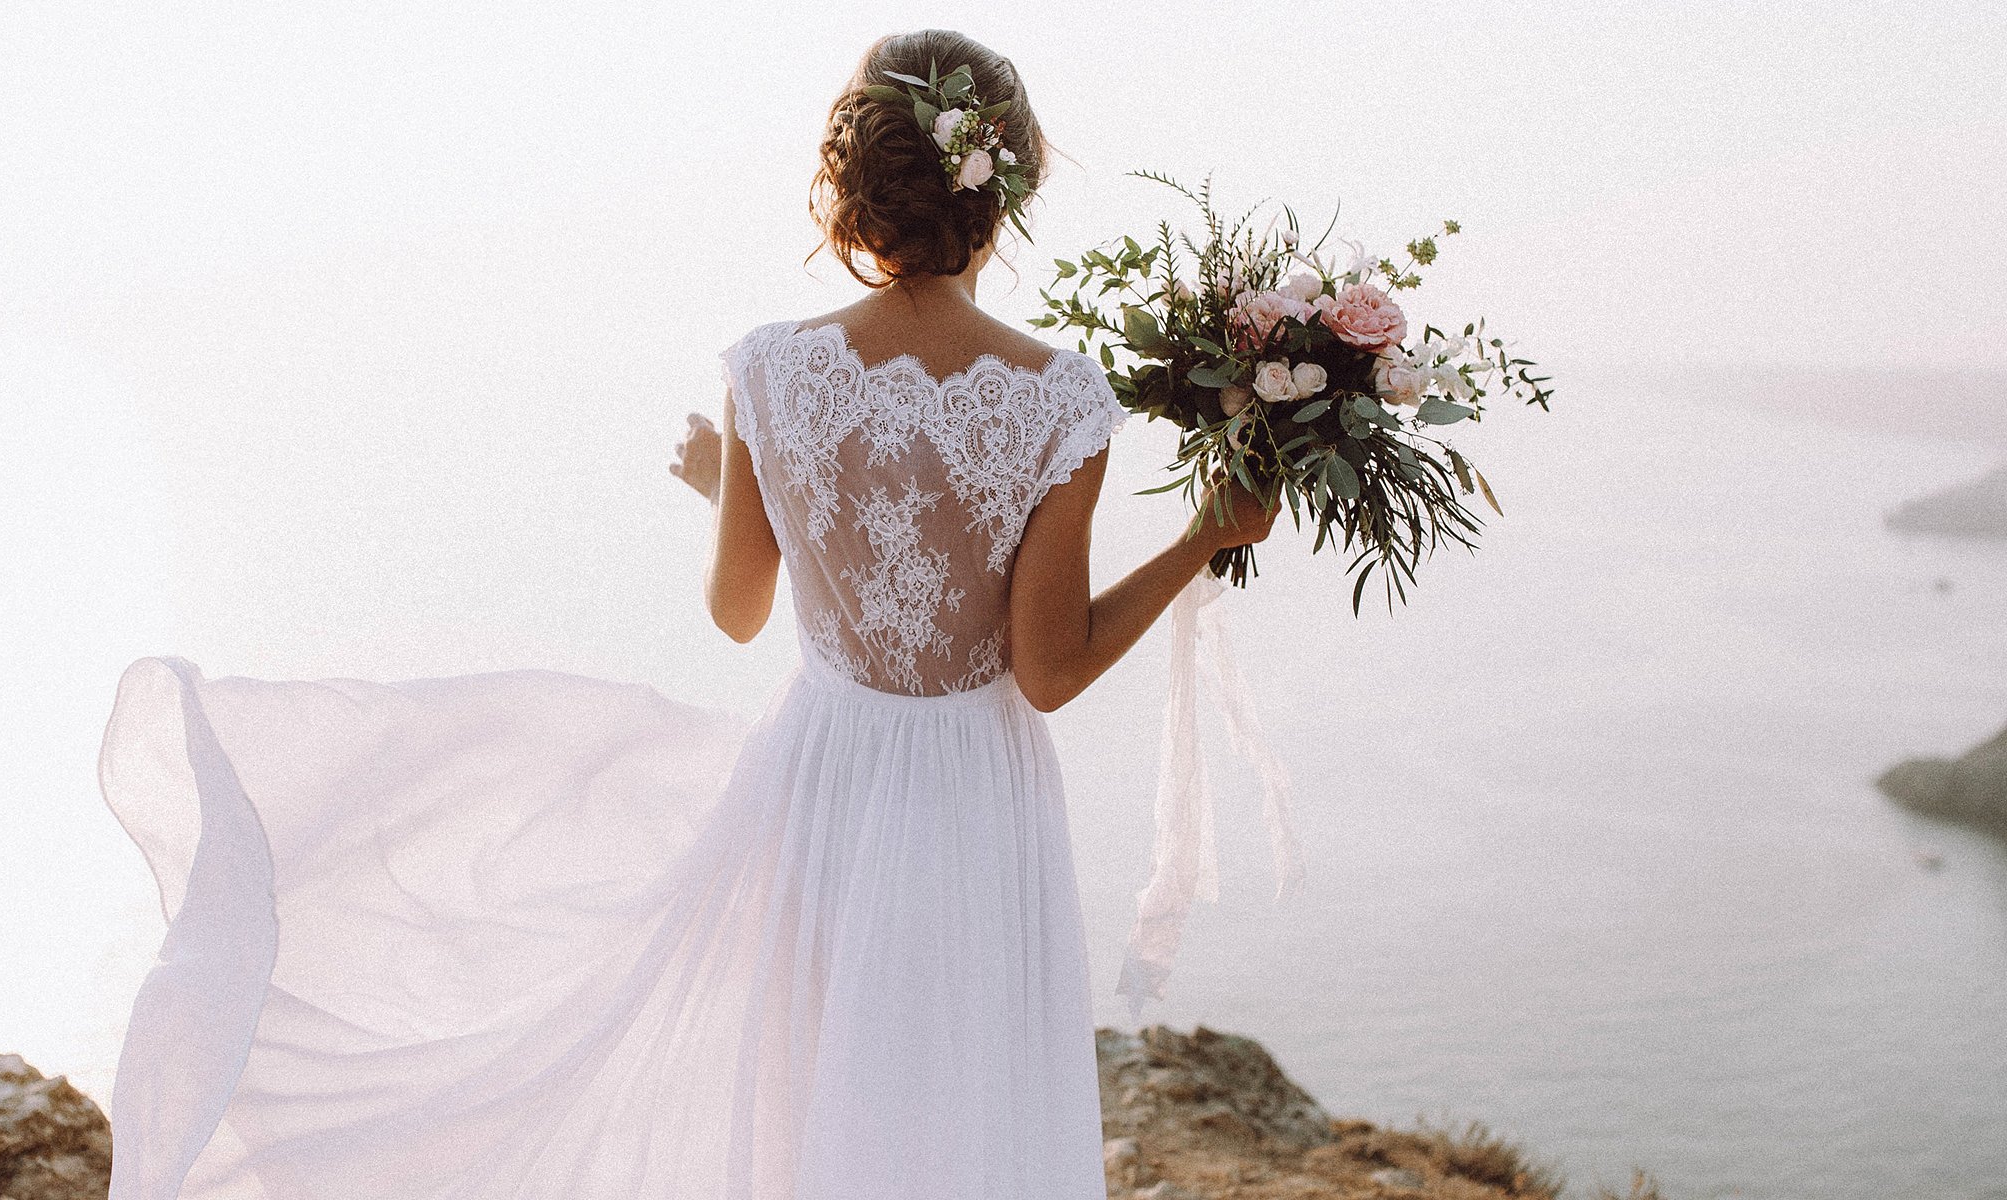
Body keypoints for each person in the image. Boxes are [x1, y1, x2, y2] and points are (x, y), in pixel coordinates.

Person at [97, 28, 1278, 1200]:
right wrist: (1199, 541)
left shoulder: (769, 370)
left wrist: (737, 490)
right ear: (1008, 184)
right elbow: (1047, 669)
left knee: (822, 1088)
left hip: (820, 783)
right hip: (974, 792)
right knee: (963, 1089)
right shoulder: (1056, 399)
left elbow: (738, 608)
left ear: (859, 185)